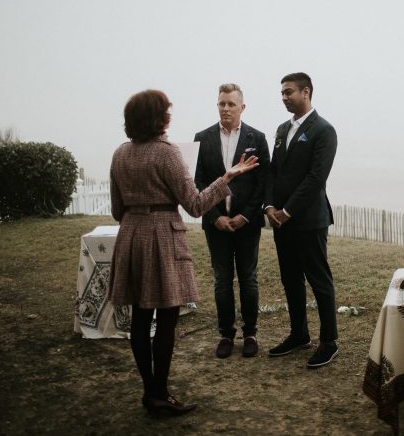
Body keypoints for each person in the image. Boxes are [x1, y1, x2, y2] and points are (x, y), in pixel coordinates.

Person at [108, 89, 259, 416]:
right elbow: (194, 205)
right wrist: (228, 176)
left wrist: (137, 217)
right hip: (162, 238)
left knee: (140, 318)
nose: (170, 116)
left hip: (130, 236)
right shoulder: (166, 153)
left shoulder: (120, 154)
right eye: (166, 111)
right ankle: (160, 395)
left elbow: (116, 210)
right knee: (166, 318)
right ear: (156, 118)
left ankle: (150, 392)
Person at [264, 72, 339, 368]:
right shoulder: (282, 129)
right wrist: (270, 206)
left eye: (289, 92)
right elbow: (273, 170)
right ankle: (299, 334)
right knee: (290, 279)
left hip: (309, 220)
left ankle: (329, 341)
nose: (284, 97)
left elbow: (316, 177)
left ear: (306, 92)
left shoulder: (324, 130)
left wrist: (288, 210)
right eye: (282, 93)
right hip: (281, 221)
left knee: (319, 280)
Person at [194, 83, 270, 359]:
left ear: (242, 107)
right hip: (216, 224)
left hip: (246, 223)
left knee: (248, 278)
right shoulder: (202, 138)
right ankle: (226, 334)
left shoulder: (257, 138)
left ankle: (250, 332)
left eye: (230, 104)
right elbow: (198, 182)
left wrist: (246, 215)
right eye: (221, 103)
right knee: (222, 279)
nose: (225, 108)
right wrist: (214, 218)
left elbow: (263, 182)